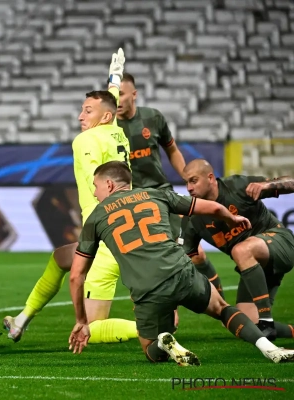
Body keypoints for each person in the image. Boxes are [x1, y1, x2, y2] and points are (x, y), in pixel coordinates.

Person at [68, 161, 294, 365]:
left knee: (150, 350)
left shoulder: (95, 217)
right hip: (181, 271)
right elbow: (214, 208)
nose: (95, 193)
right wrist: (232, 218)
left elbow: (76, 276)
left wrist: (81, 321)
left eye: (95, 186)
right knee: (222, 309)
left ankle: (163, 342)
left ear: (109, 185)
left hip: (146, 290)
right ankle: (270, 349)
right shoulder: (155, 194)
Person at [4, 48, 138, 345]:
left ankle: (152, 330)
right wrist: (115, 77)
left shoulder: (86, 140)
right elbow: (110, 100)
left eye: (87, 111)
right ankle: (21, 320)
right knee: (60, 259)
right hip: (125, 227)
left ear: (103, 116)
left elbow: (95, 183)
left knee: (92, 328)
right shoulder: (115, 129)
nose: (80, 116)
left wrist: (101, 223)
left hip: (103, 235)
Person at [117, 73, 224, 298]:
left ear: (134, 95)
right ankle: (160, 309)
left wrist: (186, 177)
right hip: (130, 201)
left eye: (121, 94)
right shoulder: (107, 128)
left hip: (161, 193)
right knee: (147, 264)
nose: (116, 99)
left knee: (196, 255)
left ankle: (220, 299)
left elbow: (172, 149)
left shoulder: (153, 118)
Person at [181, 159, 294, 341]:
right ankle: (278, 329)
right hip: (254, 266)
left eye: (193, 181)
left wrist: (267, 185)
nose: (189, 188)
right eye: (186, 182)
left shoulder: (237, 186)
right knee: (247, 325)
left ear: (210, 178)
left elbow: (291, 183)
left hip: (281, 243)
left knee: (240, 250)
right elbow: (188, 259)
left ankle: (266, 320)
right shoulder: (193, 218)